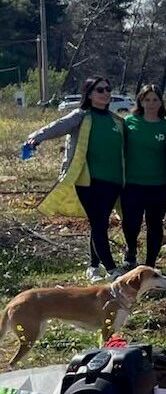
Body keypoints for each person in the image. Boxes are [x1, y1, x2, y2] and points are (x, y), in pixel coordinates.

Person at [23, 76, 127, 280]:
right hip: (87, 181)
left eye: (108, 89)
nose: (106, 93)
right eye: (100, 90)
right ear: (89, 94)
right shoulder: (81, 116)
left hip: (113, 181)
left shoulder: (118, 121)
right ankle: (112, 269)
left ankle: (93, 266)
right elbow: (57, 126)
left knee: (101, 223)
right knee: (97, 222)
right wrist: (36, 138)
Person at [121, 84, 166, 269]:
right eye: (147, 100)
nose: (151, 104)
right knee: (131, 223)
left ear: (161, 102)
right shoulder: (129, 123)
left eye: (155, 100)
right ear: (140, 101)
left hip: (159, 185)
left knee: (155, 224)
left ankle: (150, 263)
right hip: (132, 184)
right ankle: (131, 252)